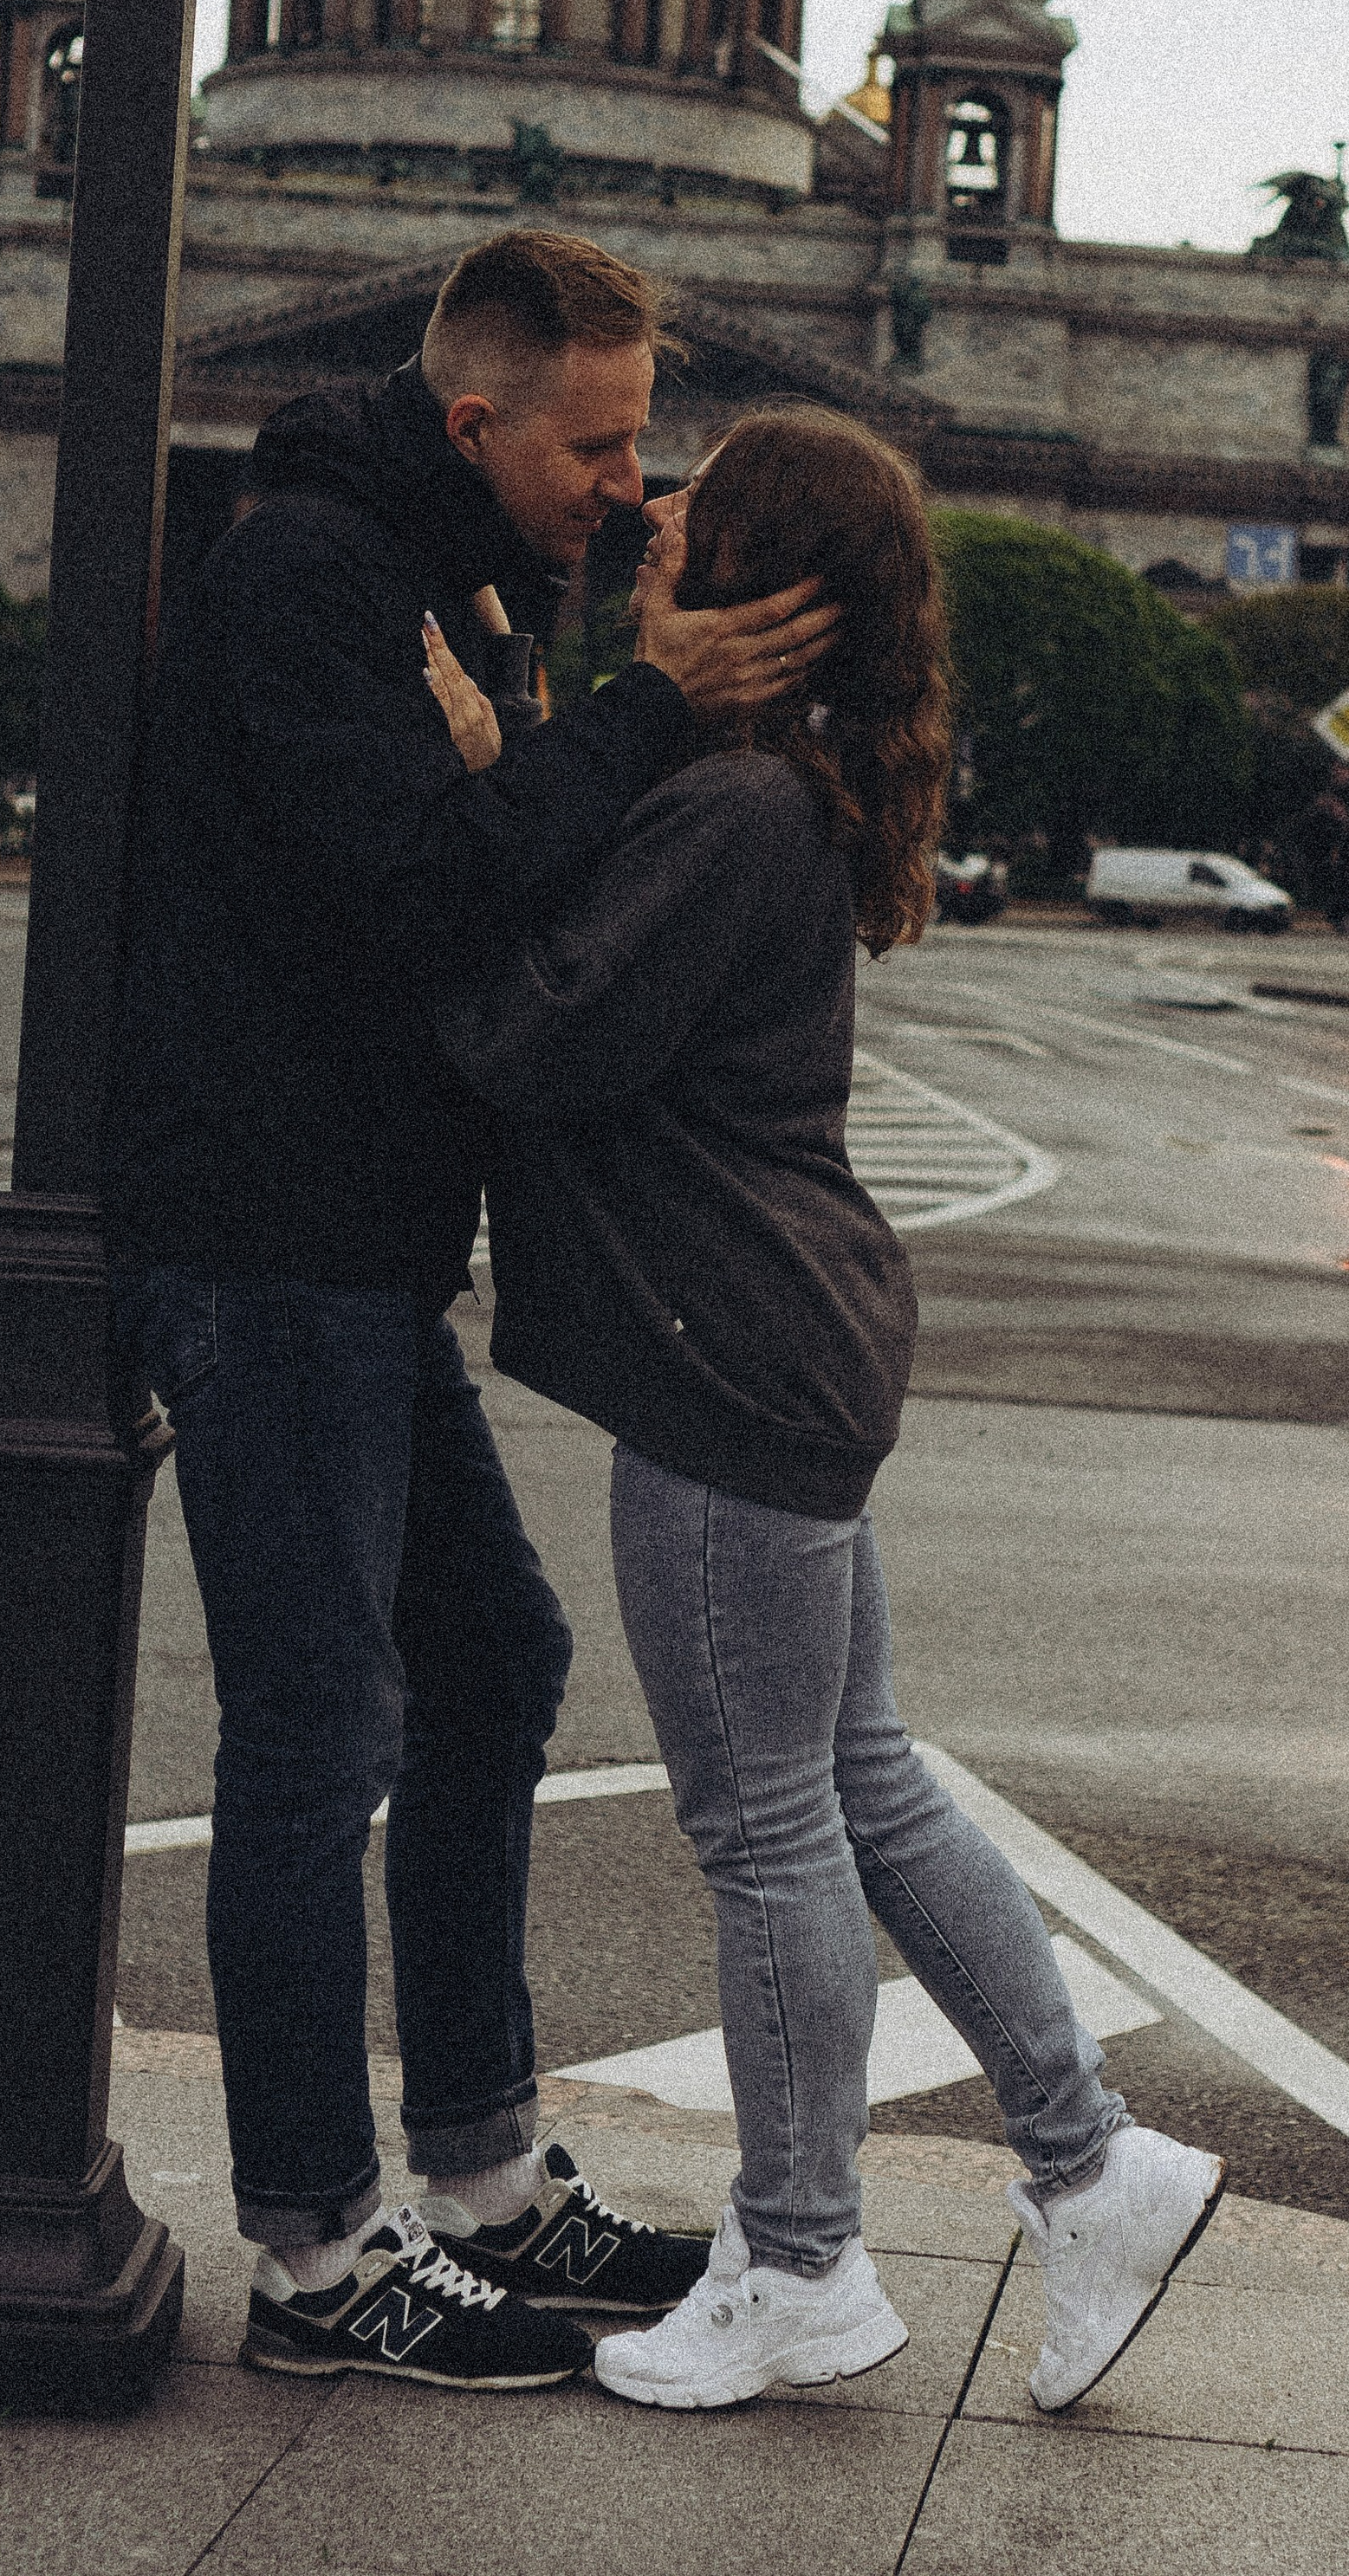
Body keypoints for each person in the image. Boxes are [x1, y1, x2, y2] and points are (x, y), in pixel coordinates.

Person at [428, 404, 1223, 2416]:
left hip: (725, 1360)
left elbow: (528, 1035)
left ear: (763, 580)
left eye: (692, 500)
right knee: (859, 1781)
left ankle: (799, 2263)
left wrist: (473, 802)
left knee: (766, 1824)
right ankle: (1087, 2160)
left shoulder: (729, 814)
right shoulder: (758, 799)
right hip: (780, 1339)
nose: (653, 508)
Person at [105, 231, 835, 2394]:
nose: (628, 483)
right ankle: (322, 2259)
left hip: (349, 1240)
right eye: (598, 443)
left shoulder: (444, 581)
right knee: (319, 1732)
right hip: (263, 1234)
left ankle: (484, 2177)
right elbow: (417, 893)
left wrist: (547, 727)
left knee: (490, 1663)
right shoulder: (313, 578)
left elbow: (474, 865)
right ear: (476, 423)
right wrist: (637, 713)